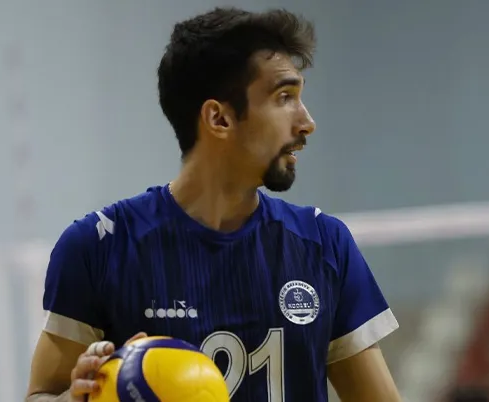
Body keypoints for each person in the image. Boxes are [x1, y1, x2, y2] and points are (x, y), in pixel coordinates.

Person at [26, 6, 400, 402]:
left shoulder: (324, 244)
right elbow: (40, 395)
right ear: (219, 119)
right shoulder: (98, 247)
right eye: (284, 97)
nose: (307, 122)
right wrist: (77, 398)